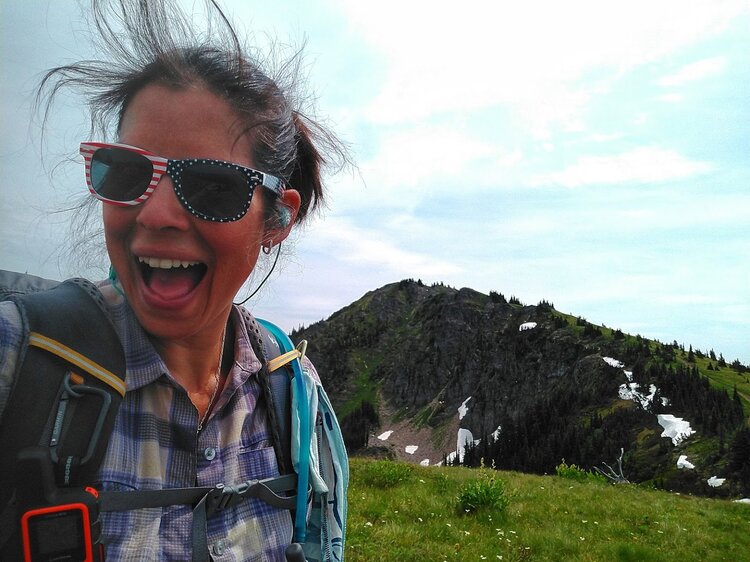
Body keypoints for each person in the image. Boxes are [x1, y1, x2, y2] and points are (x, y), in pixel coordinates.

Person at [0, 0, 347, 560]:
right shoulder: (19, 358)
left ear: (276, 219)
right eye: (129, 173)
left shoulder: (292, 393)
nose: (155, 214)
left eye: (213, 186)